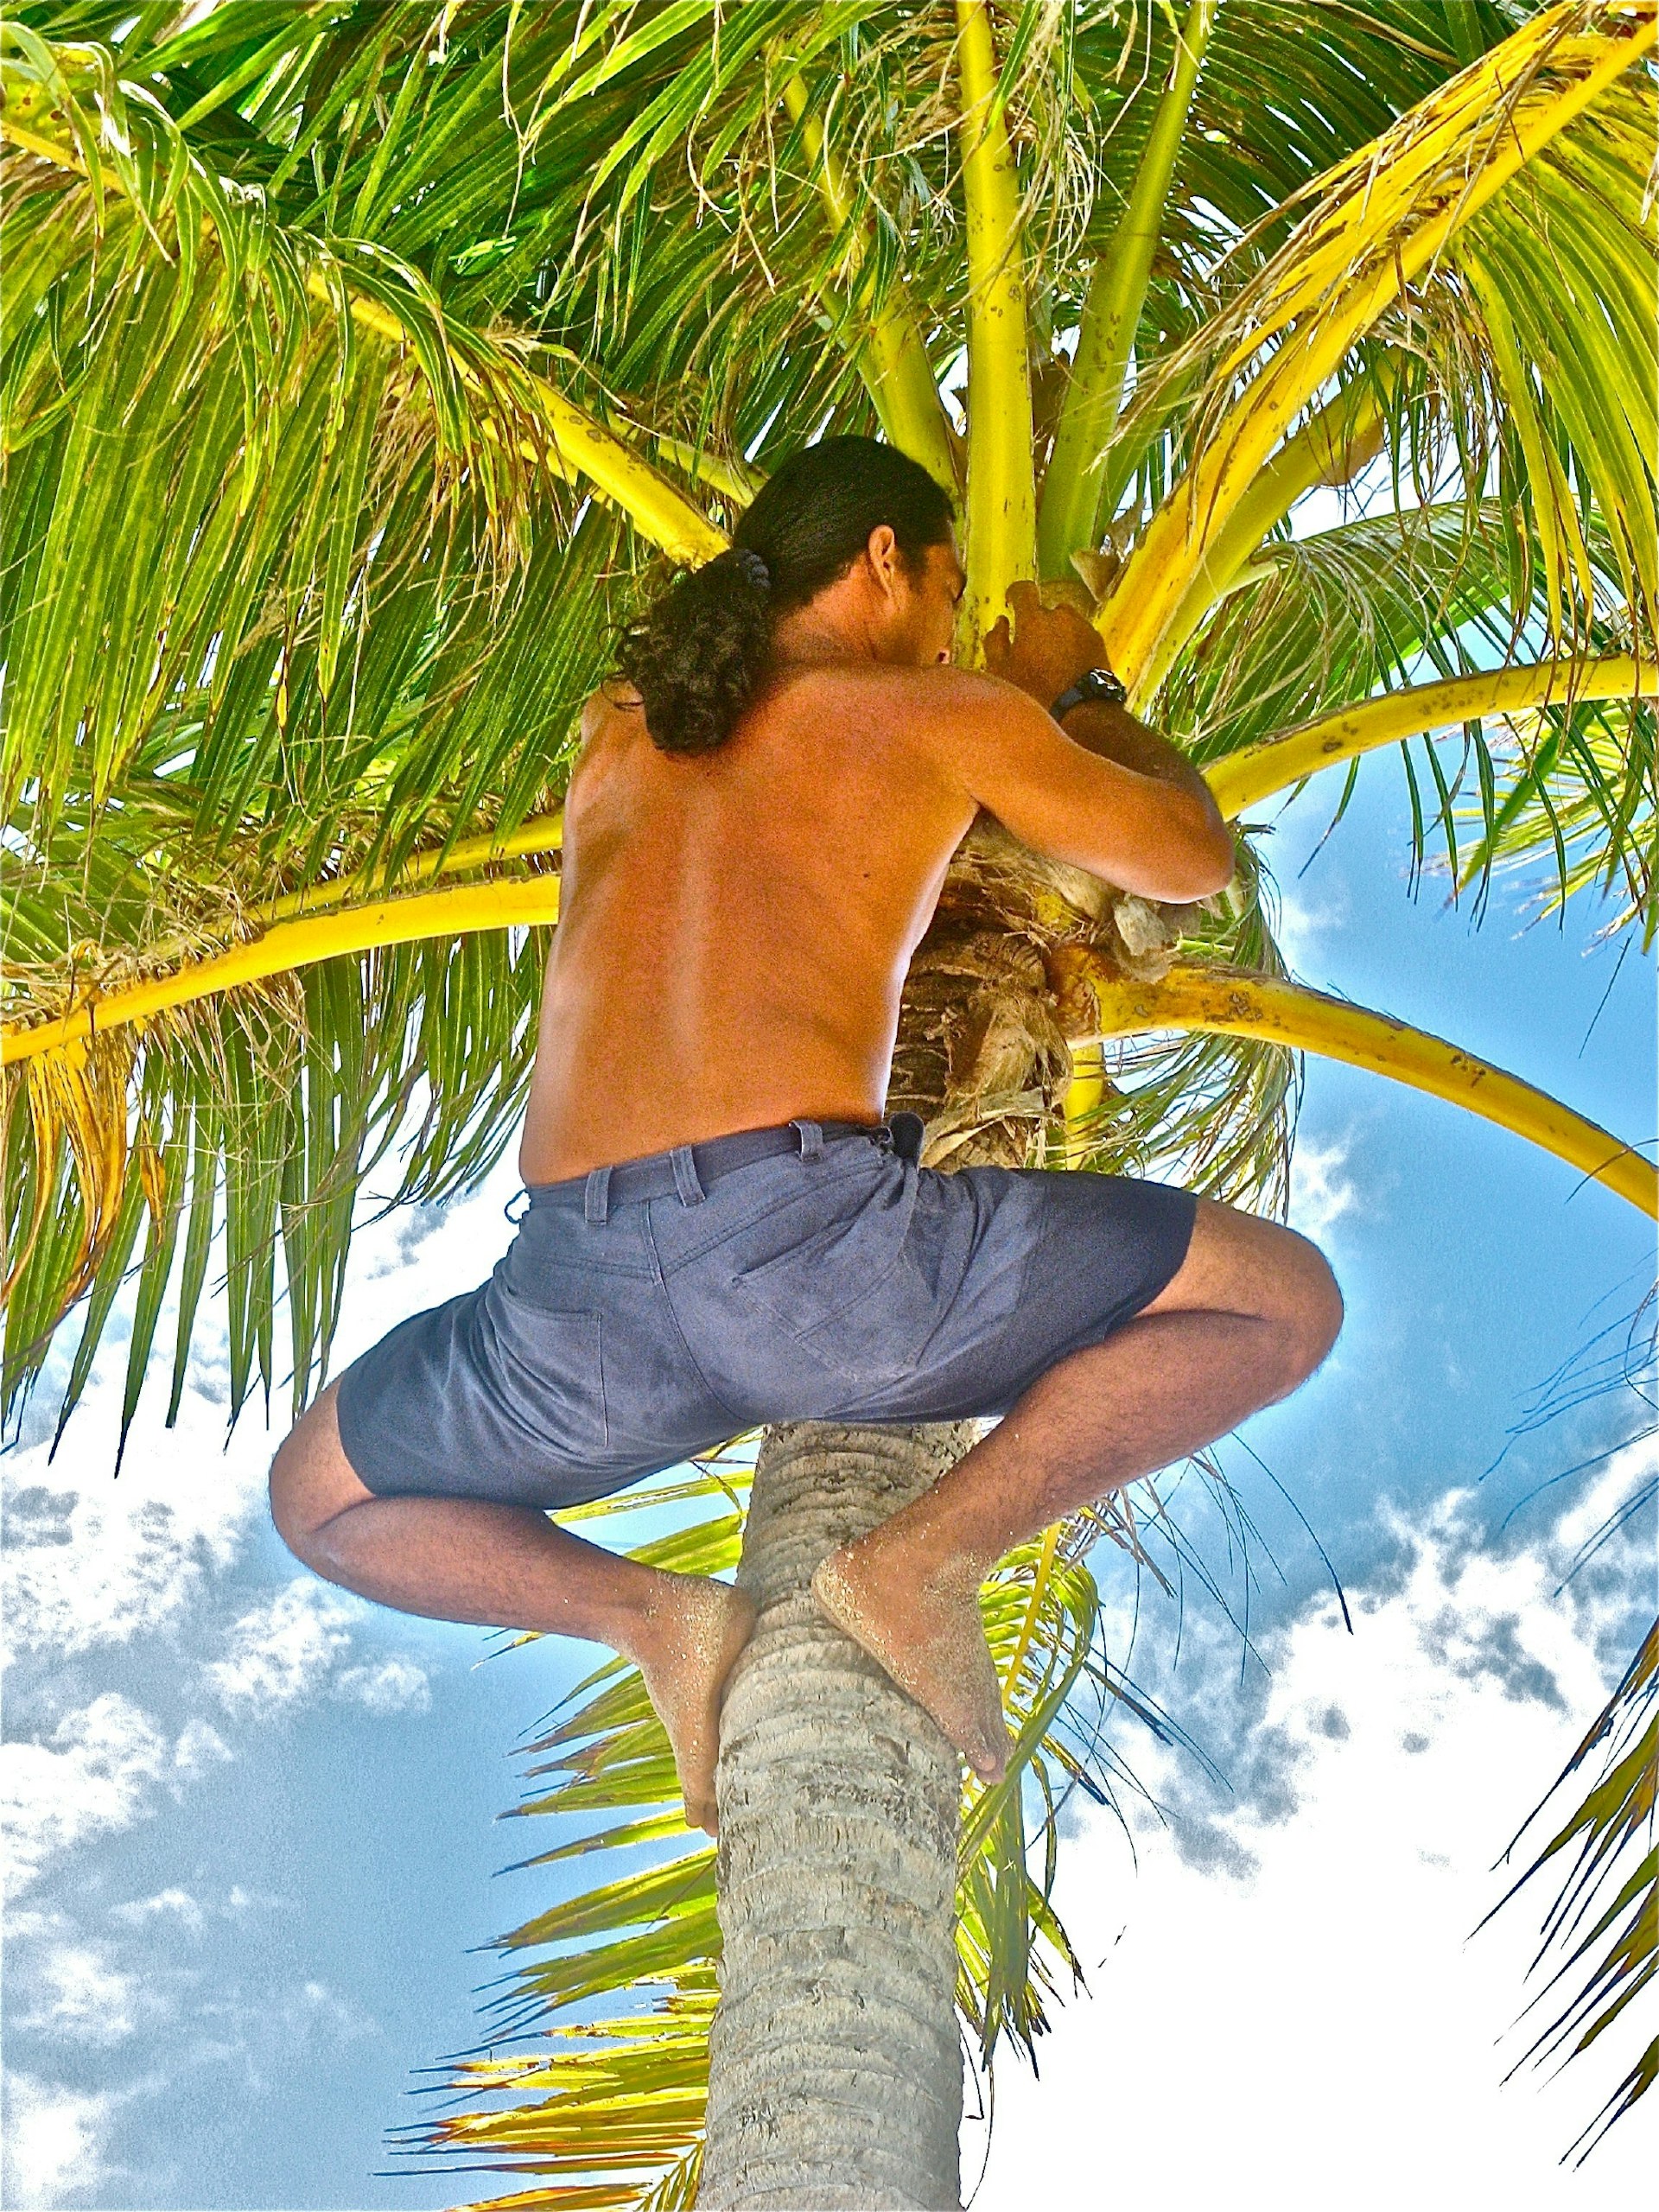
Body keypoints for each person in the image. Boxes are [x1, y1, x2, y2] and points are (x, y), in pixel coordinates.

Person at [268, 435, 1343, 1835]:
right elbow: (1186, 859)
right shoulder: (935, 713)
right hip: (813, 1269)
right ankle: (929, 1560)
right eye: (950, 591)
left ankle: (653, 1620)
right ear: (886, 559)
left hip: (574, 1313)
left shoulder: (620, 725)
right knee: (1286, 1301)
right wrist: (1072, 686)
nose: (955, 632)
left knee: (317, 1498)